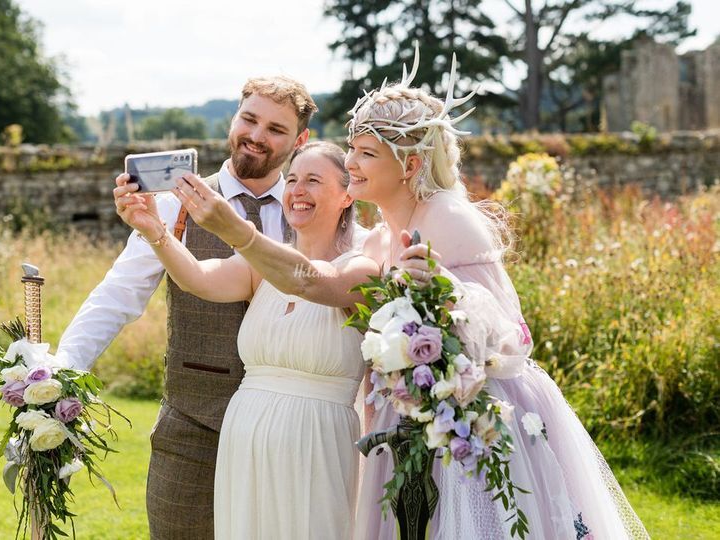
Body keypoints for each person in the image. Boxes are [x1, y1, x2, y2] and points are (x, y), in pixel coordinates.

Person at [179, 51, 650, 539]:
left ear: (411, 164)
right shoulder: (379, 238)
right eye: (353, 149)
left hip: (471, 420)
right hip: (401, 416)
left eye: (366, 154)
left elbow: (500, 341)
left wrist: (427, 314)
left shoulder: (449, 218)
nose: (352, 163)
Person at [56, 75, 317, 539]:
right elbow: (119, 294)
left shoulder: (312, 210)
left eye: (276, 129)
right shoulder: (173, 204)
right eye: (249, 119)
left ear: (300, 140)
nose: (256, 136)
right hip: (192, 428)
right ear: (232, 120)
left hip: (286, 432)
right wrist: (59, 372)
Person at [113, 141, 377, 539]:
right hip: (247, 437)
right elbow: (197, 278)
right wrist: (155, 230)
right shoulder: (261, 267)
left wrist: (232, 227)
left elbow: (309, 281)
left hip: (316, 443)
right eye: (291, 180)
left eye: (312, 180)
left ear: (346, 195)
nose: (296, 191)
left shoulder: (361, 267)